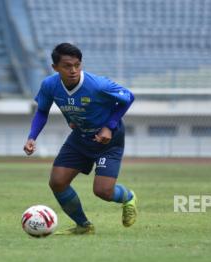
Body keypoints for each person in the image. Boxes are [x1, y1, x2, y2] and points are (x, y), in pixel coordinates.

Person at [23, 43, 137, 235]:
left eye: (77, 64)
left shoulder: (97, 85)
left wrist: (109, 127)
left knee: (103, 191)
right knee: (57, 182)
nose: (74, 70)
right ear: (55, 67)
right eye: (67, 66)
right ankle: (84, 226)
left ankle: (129, 197)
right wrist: (32, 137)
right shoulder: (49, 85)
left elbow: (128, 97)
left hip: (108, 141)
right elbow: (42, 111)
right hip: (80, 138)